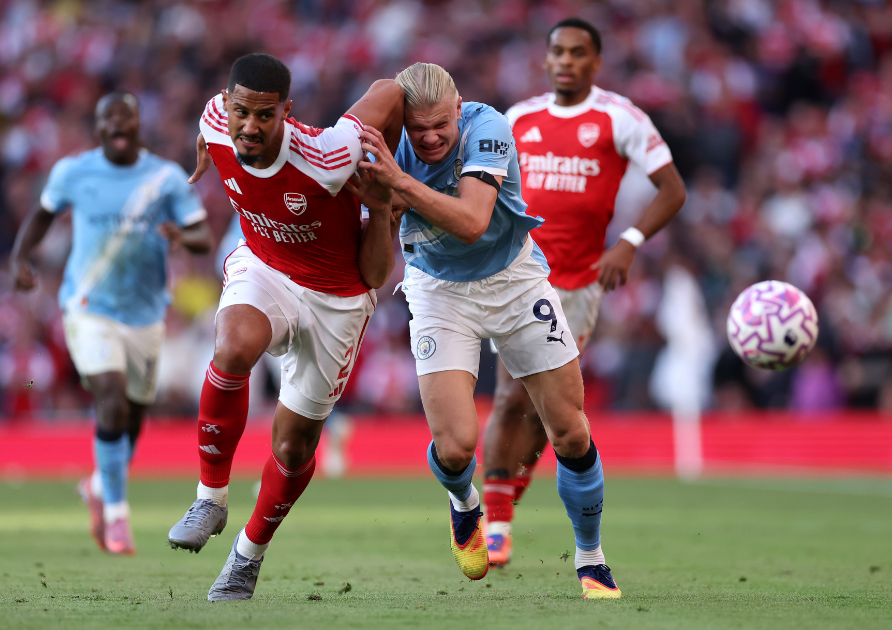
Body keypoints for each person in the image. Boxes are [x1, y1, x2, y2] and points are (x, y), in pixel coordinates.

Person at [356, 61, 621, 598]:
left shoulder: (489, 127)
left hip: (515, 280)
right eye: (417, 128)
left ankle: (590, 556)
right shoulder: (385, 153)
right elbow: (376, 271)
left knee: (569, 429)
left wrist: (399, 185)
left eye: (440, 126)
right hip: (436, 290)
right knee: (455, 449)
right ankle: (464, 503)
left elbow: (476, 223)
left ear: (459, 111)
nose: (429, 137)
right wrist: (384, 204)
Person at [166, 53, 403, 601]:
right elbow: (208, 131)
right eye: (240, 111)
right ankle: (210, 497)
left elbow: (390, 89)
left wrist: (387, 192)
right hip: (266, 265)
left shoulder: (330, 153)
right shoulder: (213, 121)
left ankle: (246, 557)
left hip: (337, 296)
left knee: (293, 447)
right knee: (232, 346)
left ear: (286, 113)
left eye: (265, 116)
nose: (250, 125)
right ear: (226, 104)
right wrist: (201, 153)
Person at [481, 17, 686, 568]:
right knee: (508, 393)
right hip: (520, 275)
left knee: (555, 410)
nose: (566, 60)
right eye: (557, 52)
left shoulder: (621, 118)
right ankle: (495, 522)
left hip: (581, 286)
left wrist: (630, 241)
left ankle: (506, 499)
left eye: (577, 53)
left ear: (595, 62)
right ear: (545, 60)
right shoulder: (516, 119)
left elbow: (673, 189)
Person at [10, 92, 214, 555]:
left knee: (134, 413)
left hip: (144, 313)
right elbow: (41, 216)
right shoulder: (73, 172)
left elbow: (202, 234)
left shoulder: (163, 178)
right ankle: (119, 517)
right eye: (109, 118)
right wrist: (20, 258)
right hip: (88, 305)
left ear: (139, 125)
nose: (119, 125)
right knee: (110, 392)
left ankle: (101, 486)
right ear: (98, 126)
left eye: (127, 117)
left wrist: (182, 235)